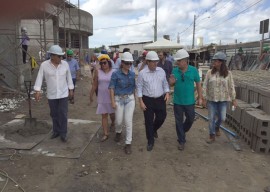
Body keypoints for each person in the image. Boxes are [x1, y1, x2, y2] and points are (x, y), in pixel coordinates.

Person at [34, 45, 74, 142]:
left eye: (61, 56)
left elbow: (69, 77)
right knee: (54, 114)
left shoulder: (65, 64)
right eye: (59, 56)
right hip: (51, 94)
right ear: (52, 56)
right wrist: (37, 91)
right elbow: (39, 77)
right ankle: (56, 131)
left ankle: (63, 133)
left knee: (63, 113)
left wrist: (71, 89)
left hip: (63, 94)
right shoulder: (44, 65)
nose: (61, 58)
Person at [169, 49, 203, 151]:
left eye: (179, 61)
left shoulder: (193, 70)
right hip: (178, 101)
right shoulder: (174, 71)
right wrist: (171, 83)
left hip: (189, 101)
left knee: (190, 119)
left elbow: (198, 84)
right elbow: (171, 84)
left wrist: (200, 97)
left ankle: (182, 131)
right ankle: (181, 140)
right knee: (178, 121)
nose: (177, 63)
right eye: (177, 61)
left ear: (185, 60)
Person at [137, 51, 170, 152]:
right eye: (153, 62)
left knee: (162, 117)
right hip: (147, 100)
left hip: (160, 99)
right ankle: (150, 141)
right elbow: (139, 88)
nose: (155, 63)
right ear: (147, 62)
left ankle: (154, 129)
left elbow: (165, 84)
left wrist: (167, 93)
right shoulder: (142, 73)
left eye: (156, 61)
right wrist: (141, 102)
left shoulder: (161, 71)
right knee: (148, 121)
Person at [202, 51, 237, 143]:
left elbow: (231, 86)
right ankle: (211, 135)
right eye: (213, 61)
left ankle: (217, 127)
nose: (214, 62)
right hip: (211, 100)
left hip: (223, 99)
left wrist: (233, 99)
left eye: (216, 61)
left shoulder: (228, 74)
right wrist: (204, 98)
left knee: (222, 118)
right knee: (211, 118)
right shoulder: (210, 73)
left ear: (221, 62)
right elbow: (205, 85)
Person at [109, 52, 136, 154]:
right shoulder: (115, 74)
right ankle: (118, 131)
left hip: (130, 99)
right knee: (119, 121)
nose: (129, 65)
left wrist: (135, 101)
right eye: (127, 63)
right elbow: (111, 88)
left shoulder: (132, 74)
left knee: (128, 122)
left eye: (131, 63)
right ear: (122, 63)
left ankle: (128, 143)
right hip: (118, 99)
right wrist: (112, 101)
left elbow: (134, 88)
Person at [89, 54, 115, 142]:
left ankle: (113, 122)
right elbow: (95, 84)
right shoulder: (98, 72)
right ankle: (105, 133)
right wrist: (91, 94)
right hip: (102, 97)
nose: (103, 65)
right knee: (104, 115)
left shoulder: (114, 72)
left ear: (109, 62)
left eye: (105, 63)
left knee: (112, 114)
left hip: (111, 97)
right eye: (101, 63)